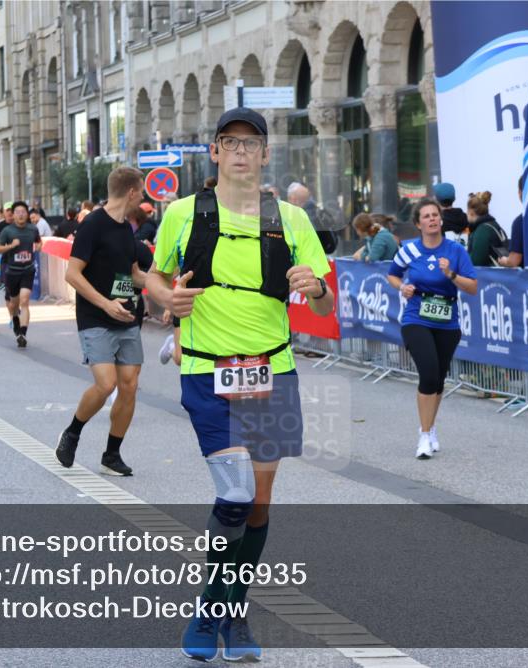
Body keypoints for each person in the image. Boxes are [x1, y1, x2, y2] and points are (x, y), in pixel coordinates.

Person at [146, 107, 333, 662]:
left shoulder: (291, 219)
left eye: (251, 143)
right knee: (235, 493)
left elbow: (322, 296)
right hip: (207, 370)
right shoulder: (183, 213)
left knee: (259, 504)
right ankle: (212, 612)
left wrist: (313, 285)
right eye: (230, 142)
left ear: (266, 154)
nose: (241, 152)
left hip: (272, 371)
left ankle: (234, 611)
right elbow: (156, 276)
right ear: (215, 151)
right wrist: (166, 298)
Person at [55, 167, 148, 476]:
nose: (144, 199)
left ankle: (112, 454)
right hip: (96, 315)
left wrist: (172, 291)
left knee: (129, 386)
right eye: (142, 192)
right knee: (106, 383)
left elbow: (134, 274)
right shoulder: (93, 224)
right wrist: (106, 304)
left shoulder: (126, 228)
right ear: (132, 192)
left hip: (127, 316)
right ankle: (72, 432)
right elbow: (72, 274)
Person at [387, 198, 478, 459]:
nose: (432, 219)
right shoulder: (409, 250)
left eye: (435, 215)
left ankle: (431, 426)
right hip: (416, 318)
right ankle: (424, 436)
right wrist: (401, 287)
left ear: (441, 219)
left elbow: (472, 287)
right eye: (426, 216)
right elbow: (392, 274)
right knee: (427, 374)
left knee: (438, 379)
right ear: (418, 224)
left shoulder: (456, 251)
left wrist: (451, 275)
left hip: (447, 321)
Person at [0, 201, 41, 347]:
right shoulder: (7, 231)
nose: (20, 214)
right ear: (13, 215)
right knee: (14, 303)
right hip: (12, 272)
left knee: (25, 300)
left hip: (28, 269)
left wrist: (37, 247)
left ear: (27, 214)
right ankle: (14, 318)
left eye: (23, 212)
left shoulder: (33, 229)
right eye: (17, 212)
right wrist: (11, 246)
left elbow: (39, 242)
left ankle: (22, 333)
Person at [287, 181, 337, 255]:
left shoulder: (297, 217)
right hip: (322, 257)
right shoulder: (320, 212)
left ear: (293, 199)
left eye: (289, 199)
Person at [465, 191, 509, 268]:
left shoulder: (482, 231)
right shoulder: (494, 225)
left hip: (488, 277)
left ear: (471, 212)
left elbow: (476, 262)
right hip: (501, 275)